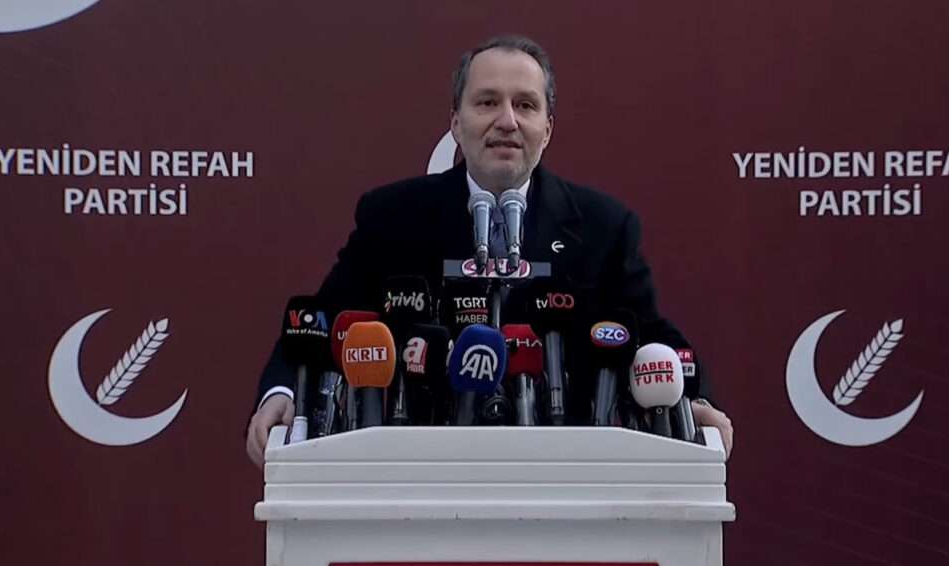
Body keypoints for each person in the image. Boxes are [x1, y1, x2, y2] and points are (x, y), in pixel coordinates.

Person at [246, 35, 733, 468]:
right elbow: (322, 325)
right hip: (413, 469)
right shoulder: (392, 217)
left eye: (525, 105)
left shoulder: (604, 226)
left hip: (567, 473)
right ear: (456, 124)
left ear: (547, 128)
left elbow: (652, 338)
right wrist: (281, 393)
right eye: (487, 103)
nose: (507, 121)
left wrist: (696, 403)